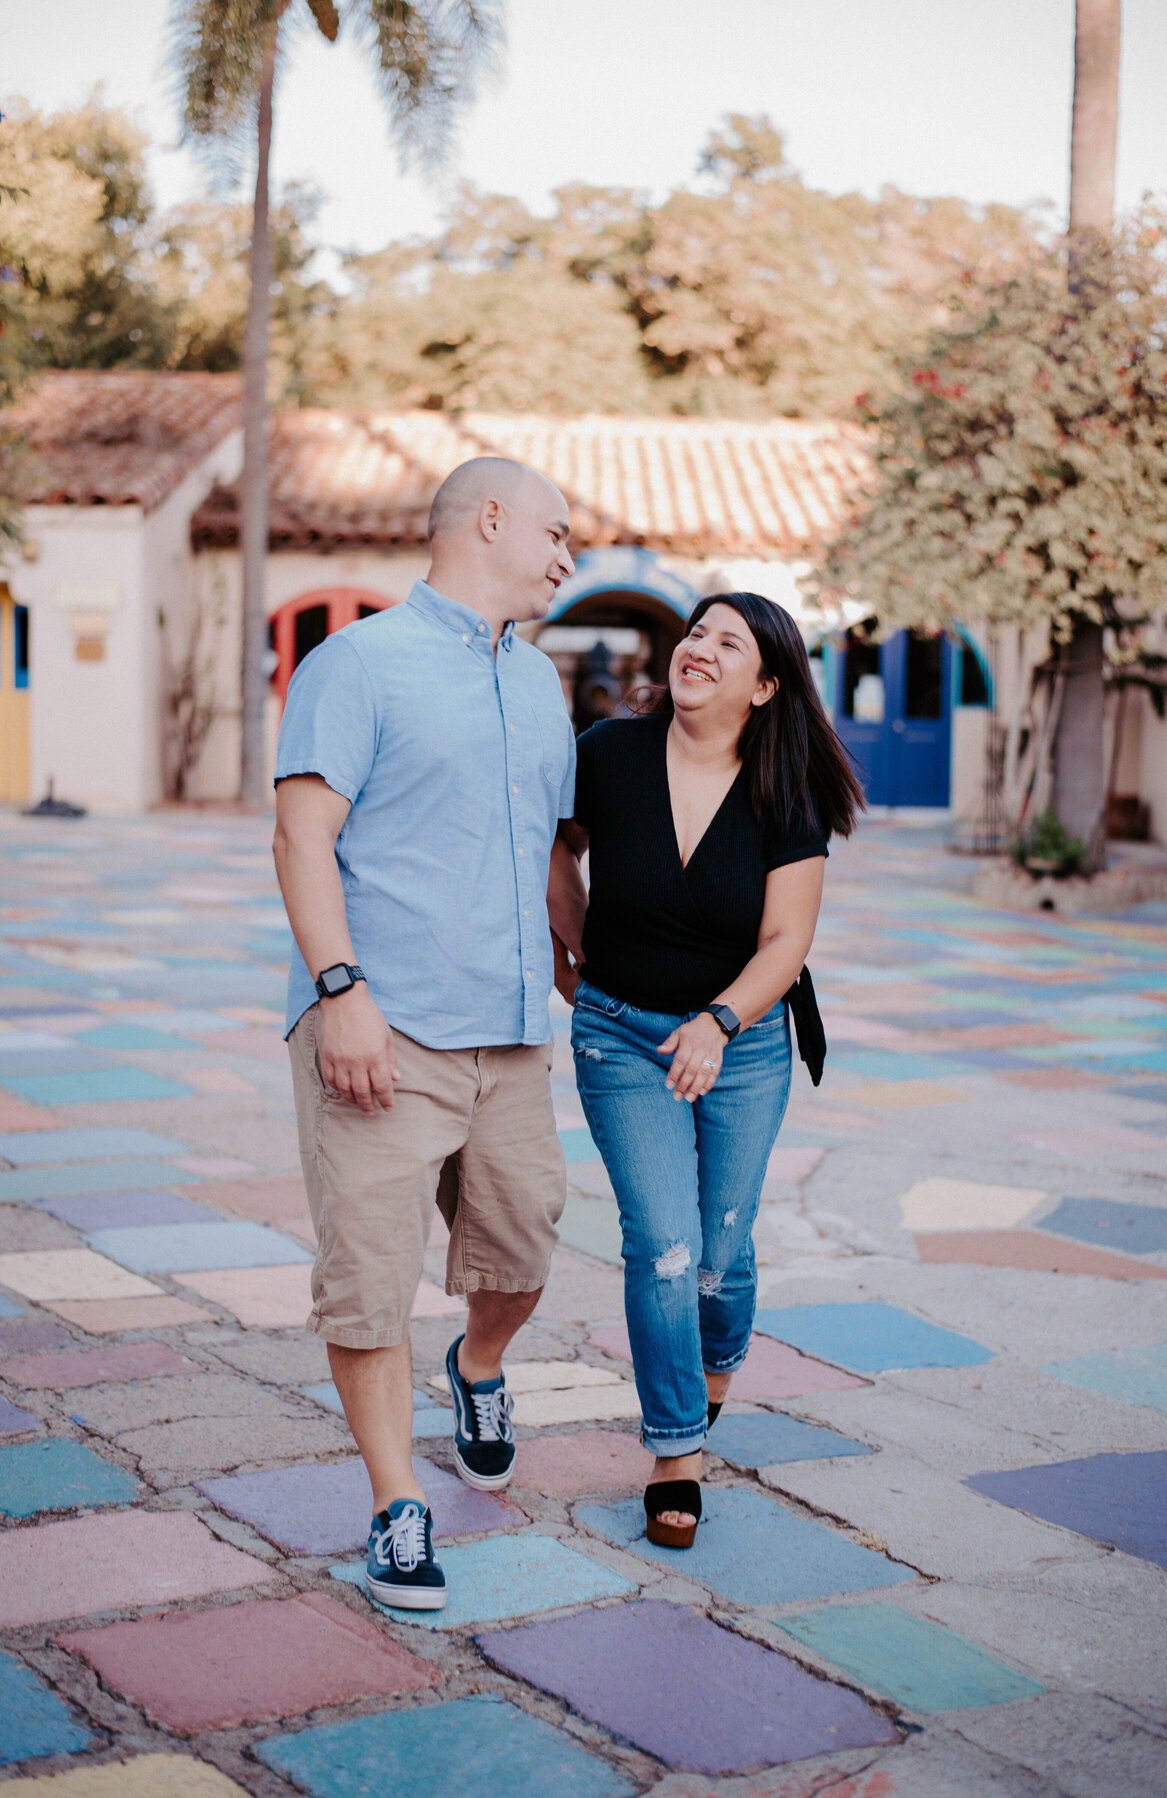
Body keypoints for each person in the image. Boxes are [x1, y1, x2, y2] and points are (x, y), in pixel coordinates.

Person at [273, 457, 577, 1610]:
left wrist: (577, 953)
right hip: (381, 1034)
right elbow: (303, 837)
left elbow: (552, 846)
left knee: (528, 1242)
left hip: (510, 1037)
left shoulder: (543, 683)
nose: (565, 554)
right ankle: (396, 1503)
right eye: (555, 531)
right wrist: (340, 987)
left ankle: (480, 1365)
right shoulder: (356, 663)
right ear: (488, 519)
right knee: (370, 1279)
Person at [550, 593, 863, 1547]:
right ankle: (677, 1449)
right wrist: (568, 950)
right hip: (621, 1035)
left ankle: (716, 1359)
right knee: (663, 1245)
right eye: (696, 632)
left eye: (729, 642)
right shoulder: (609, 752)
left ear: (765, 685)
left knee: (720, 1256)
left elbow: (787, 939)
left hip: (745, 1041)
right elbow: (560, 850)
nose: (700, 648)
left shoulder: (786, 789)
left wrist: (720, 1022)